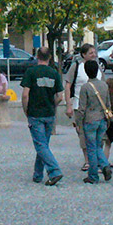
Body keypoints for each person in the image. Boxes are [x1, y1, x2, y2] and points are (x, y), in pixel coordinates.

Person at [20, 46, 64, 186]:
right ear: (50, 57)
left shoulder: (31, 72)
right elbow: (60, 96)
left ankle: (54, 171)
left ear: (37, 57)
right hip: (49, 113)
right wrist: (53, 104)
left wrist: (26, 110)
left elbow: (25, 94)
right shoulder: (54, 73)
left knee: (40, 145)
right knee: (43, 144)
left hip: (35, 113)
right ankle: (37, 174)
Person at [64, 43, 102, 172]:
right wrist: (68, 104)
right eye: (90, 53)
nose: (94, 55)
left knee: (99, 135)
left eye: (94, 52)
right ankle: (87, 160)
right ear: (83, 55)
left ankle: (98, 159)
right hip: (79, 105)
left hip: (98, 107)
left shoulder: (98, 67)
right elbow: (68, 85)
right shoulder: (76, 67)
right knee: (83, 135)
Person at [75, 60, 113, 184]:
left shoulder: (85, 87)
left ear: (86, 72)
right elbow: (108, 104)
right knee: (98, 146)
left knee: (91, 148)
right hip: (102, 118)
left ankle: (93, 175)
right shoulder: (104, 85)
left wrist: (78, 123)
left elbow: (82, 108)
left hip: (90, 120)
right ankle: (105, 165)